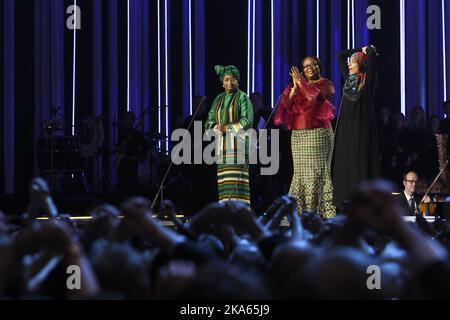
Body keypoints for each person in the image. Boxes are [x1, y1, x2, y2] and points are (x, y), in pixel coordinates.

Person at [273, 56, 336, 218]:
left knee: (315, 173)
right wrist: (294, 87)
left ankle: (317, 213)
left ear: (319, 66)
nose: (309, 68)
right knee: (300, 173)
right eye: (305, 66)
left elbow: (313, 97)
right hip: (298, 135)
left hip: (318, 134)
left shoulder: (325, 84)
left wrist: (300, 82)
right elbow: (286, 104)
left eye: (312, 64)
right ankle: (297, 213)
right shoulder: (299, 84)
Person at [332, 45, 381, 209]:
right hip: (346, 130)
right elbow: (340, 55)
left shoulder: (368, 81)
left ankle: (363, 202)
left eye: (353, 61)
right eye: (350, 61)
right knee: (345, 164)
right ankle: (345, 201)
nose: (349, 64)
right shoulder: (348, 79)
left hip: (362, 130)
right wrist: (359, 48)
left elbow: (372, 61)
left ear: (361, 64)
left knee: (360, 163)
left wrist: (370, 52)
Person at [205, 65, 254, 205]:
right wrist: (216, 126)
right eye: (226, 79)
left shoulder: (243, 97)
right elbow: (209, 121)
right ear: (222, 82)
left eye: (233, 79)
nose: (229, 82)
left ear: (238, 81)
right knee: (224, 182)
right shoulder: (218, 99)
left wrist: (228, 127)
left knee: (236, 182)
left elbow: (247, 120)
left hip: (238, 146)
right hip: (222, 147)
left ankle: (240, 216)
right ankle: (225, 215)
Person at [115, 111, 149, 195]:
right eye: (125, 118)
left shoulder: (137, 133)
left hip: (132, 164)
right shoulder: (121, 133)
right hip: (122, 163)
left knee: (131, 187)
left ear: (133, 121)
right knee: (122, 186)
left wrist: (136, 157)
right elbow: (118, 147)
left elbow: (146, 146)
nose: (127, 121)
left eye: (129, 119)